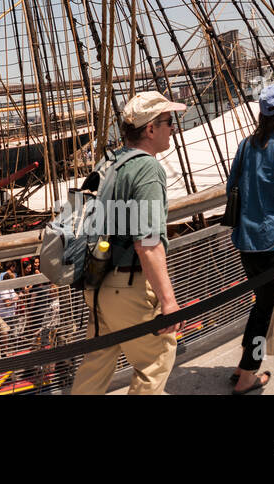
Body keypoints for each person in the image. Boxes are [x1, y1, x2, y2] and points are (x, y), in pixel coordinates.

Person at [71, 91, 184, 395]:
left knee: (96, 366)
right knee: (157, 358)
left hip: (95, 283)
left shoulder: (107, 161)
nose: (172, 127)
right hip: (127, 286)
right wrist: (169, 302)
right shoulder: (147, 169)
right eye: (168, 121)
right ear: (150, 129)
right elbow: (147, 243)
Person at [223, 83, 274, 394]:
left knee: (260, 304)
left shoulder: (245, 146)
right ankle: (248, 376)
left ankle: (242, 365)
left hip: (245, 241)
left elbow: (232, 187)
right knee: (266, 311)